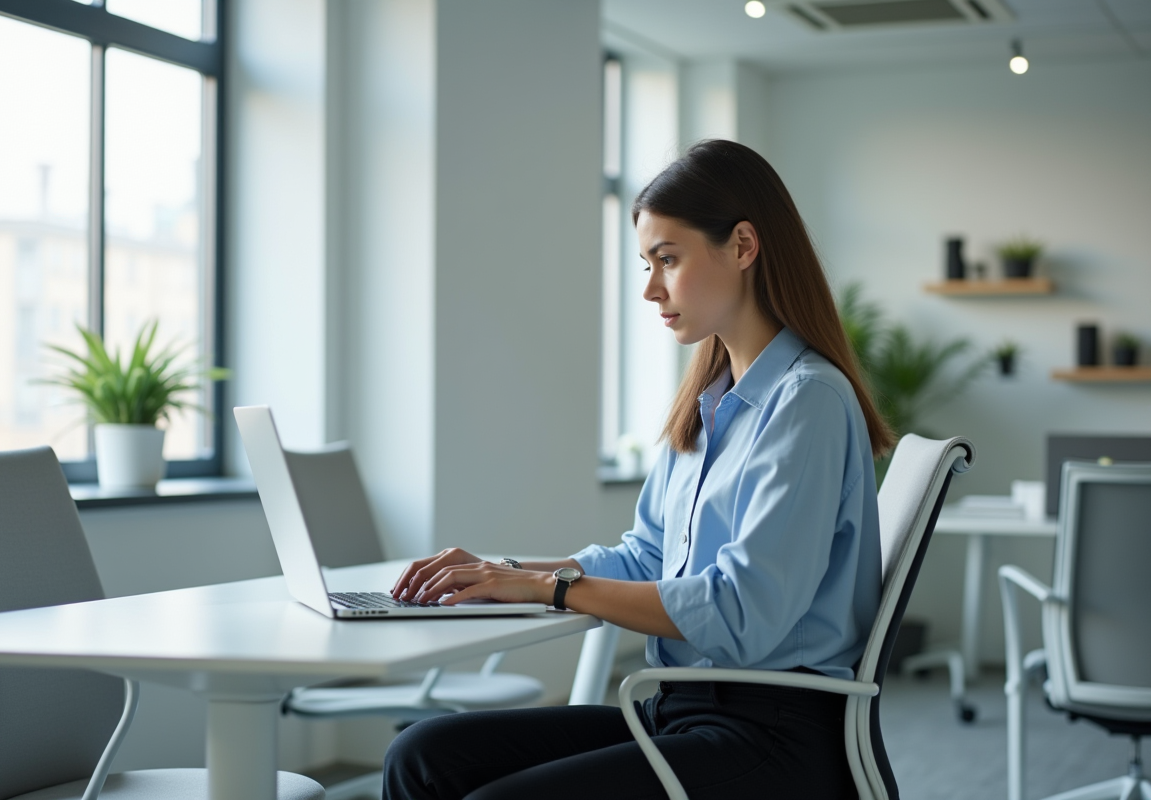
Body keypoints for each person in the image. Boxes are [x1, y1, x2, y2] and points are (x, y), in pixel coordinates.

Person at [384, 139, 895, 800]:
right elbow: (646, 556)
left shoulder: (807, 400)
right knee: (421, 755)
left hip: (772, 732)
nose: (651, 288)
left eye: (668, 259)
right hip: (680, 709)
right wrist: (503, 573)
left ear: (743, 246)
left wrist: (549, 589)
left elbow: (744, 614)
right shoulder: (709, 401)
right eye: (647, 264)